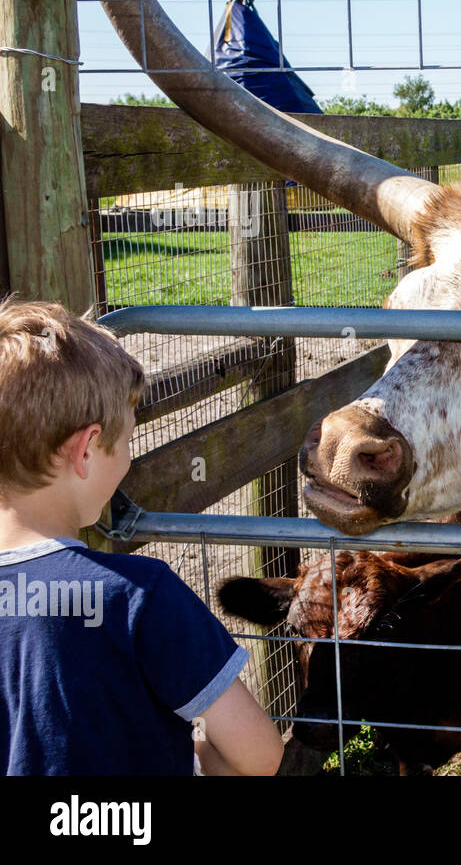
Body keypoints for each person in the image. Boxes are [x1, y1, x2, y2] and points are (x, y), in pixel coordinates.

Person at [0, 298, 283, 775]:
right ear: (86, 450)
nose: (129, 458)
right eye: (128, 441)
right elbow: (259, 755)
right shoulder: (138, 593)